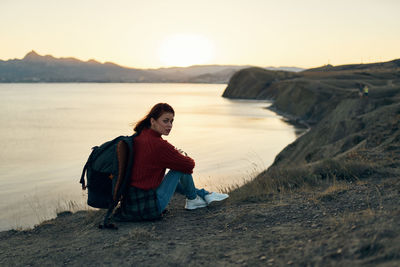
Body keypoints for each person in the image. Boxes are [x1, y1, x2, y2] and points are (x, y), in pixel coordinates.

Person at [114, 103, 228, 221]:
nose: (169, 125)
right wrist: (180, 155)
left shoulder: (140, 135)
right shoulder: (158, 144)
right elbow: (189, 165)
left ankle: (204, 195)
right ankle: (194, 199)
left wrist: (173, 156)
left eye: (171, 121)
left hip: (131, 203)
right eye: (165, 121)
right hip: (149, 206)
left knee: (178, 166)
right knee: (180, 168)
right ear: (153, 121)